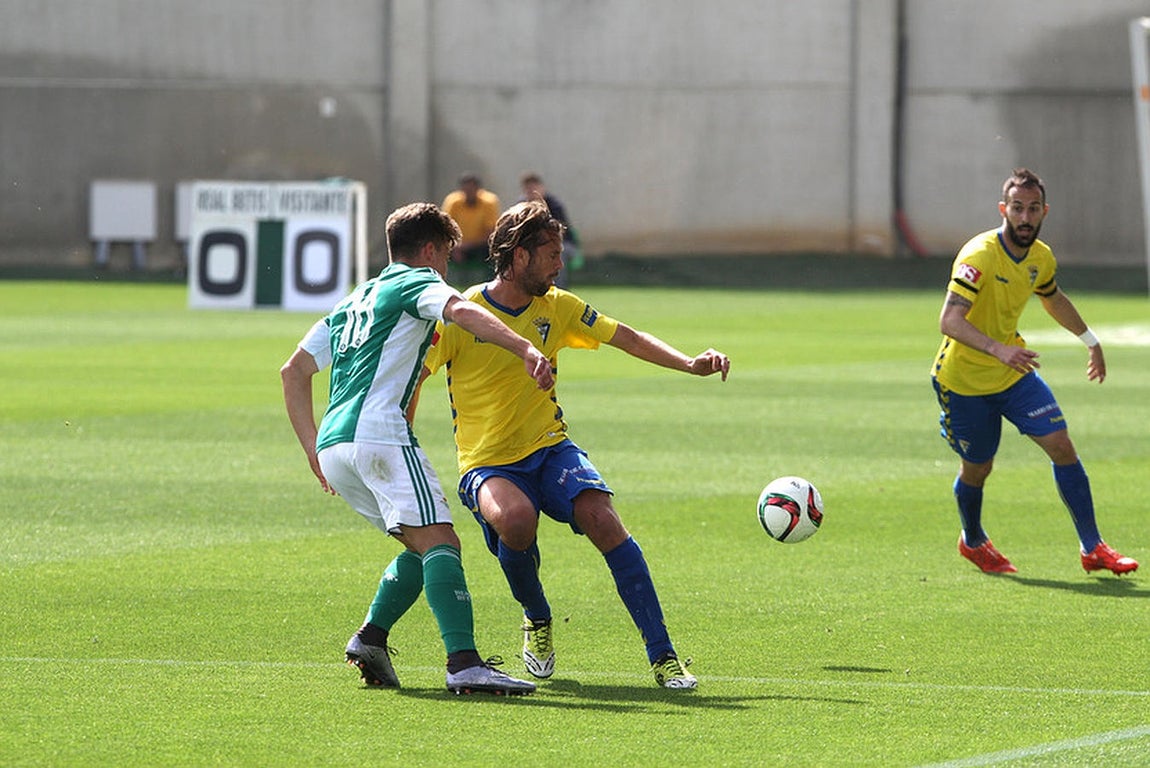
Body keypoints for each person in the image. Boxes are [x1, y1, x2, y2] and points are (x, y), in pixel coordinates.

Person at [418, 200, 730, 689]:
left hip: (551, 448)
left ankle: (664, 656)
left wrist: (690, 363)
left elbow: (625, 336)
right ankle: (536, 617)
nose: (559, 265)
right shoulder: (462, 314)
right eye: (551, 255)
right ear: (519, 257)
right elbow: (416, 375)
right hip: (488, 464)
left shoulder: (557, 306)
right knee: (517, 522)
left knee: (603, 517)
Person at [280, 202, 555, 695]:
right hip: (379, 435)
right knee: (443, 542)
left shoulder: (353, 300)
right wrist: (526, 347)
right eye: (447, 255)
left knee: (420, 543)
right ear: (429, 250)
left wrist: (310, 449)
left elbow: (293, 370)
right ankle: (464, 663)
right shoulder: (416, 281)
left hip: (335, 444)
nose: (448, 268)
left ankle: (371, 638)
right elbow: (462, 310)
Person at [931, 168, 1138, 576]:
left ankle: (1093, 547)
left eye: (1032, 210)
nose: (1025, 218)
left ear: (1044, 211)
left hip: (1013, 374)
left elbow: (1052, 297)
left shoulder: (1040, 257)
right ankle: (973, 541)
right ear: (1003, 209)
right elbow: (949, 320)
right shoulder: (979, 254)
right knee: (978, 468)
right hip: (964, 382)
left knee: (1061, 444)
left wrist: (1091, 340)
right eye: (1017, 208)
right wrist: (996, 348)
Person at [518, 171, 582, 288]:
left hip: (563, 244)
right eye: (528, 188)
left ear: (541, 188)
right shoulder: (521, 206)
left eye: (534, 188)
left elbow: (561, 229)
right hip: (532, 246)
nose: (531, 192)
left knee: (557, 253)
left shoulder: (554, 205)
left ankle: (559, 290)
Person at [442, 172, 501, 286]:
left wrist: (467, 246)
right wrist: (455, 248)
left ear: (478, 189)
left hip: (480, 246)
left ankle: (490, 284)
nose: (469, 192)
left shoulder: (489, 202)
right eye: (466, 188)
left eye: (472, 188)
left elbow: (491, 232)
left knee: (493, 251)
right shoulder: (453, 201)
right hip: (456, 246)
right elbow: (445, 227)